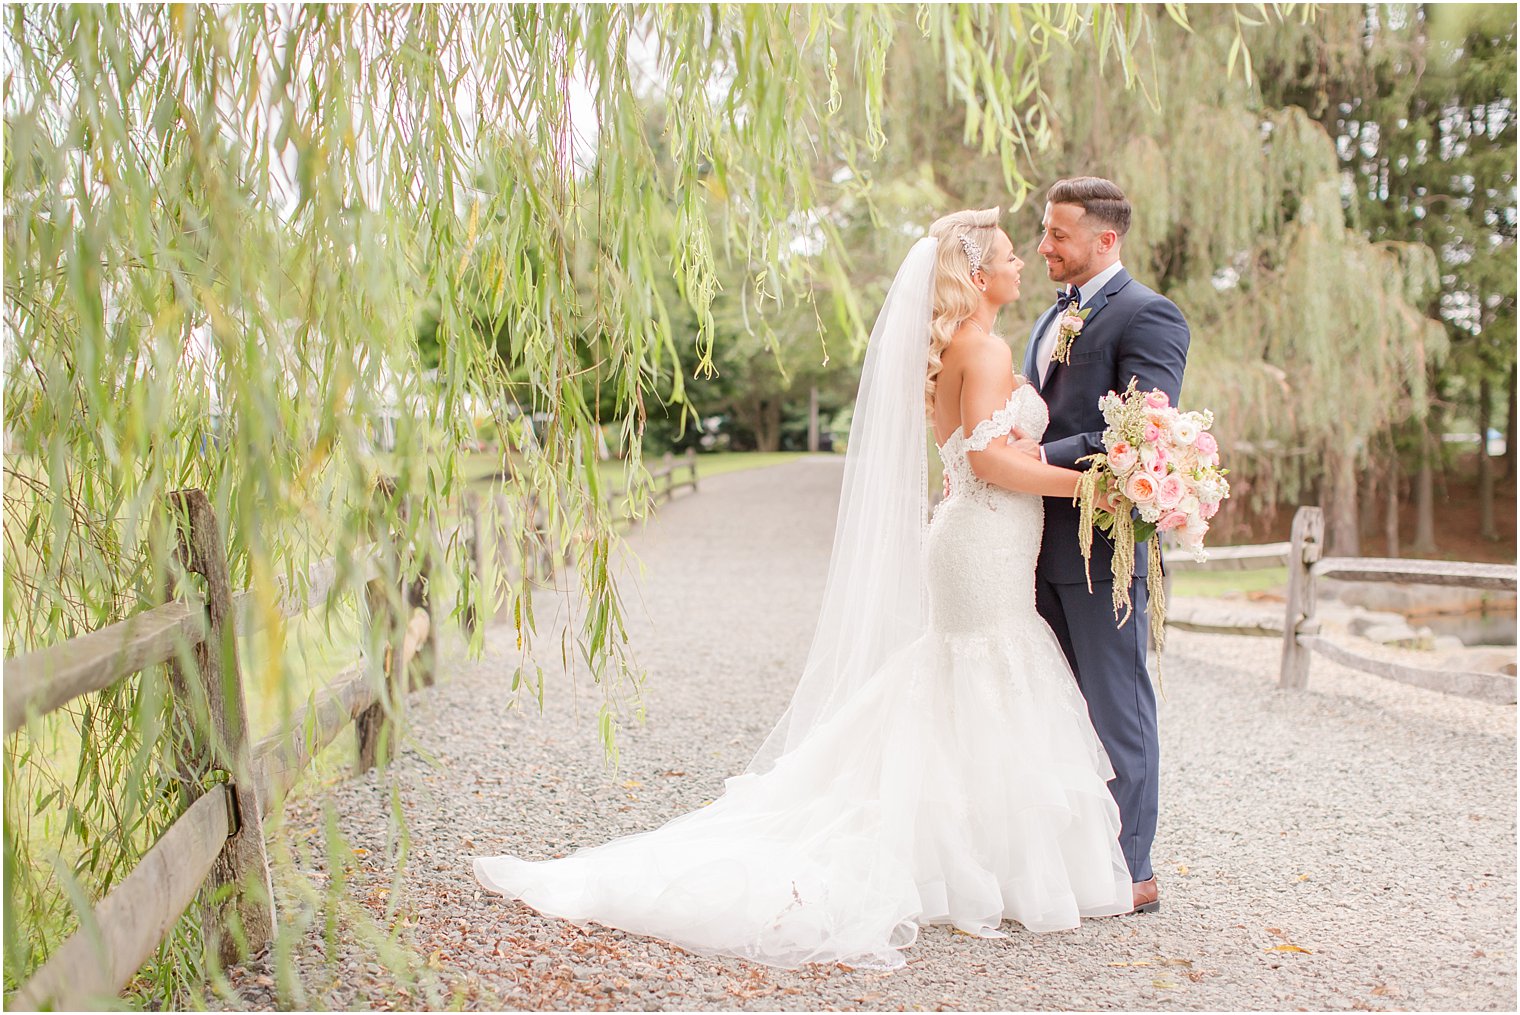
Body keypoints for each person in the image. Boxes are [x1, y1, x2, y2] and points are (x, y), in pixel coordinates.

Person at [473, 207, 1133, 971]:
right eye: (1015, 257)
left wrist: (1035, 450)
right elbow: (987, 465)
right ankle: (980, 864)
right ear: (979, 275)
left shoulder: (968, 347)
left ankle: (981, 858)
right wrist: (1089, 489)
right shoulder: (979, 348)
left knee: (969, 675)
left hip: (981, 535)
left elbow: (985, 444)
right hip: (982, 535)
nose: (1025, 266)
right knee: (985, 668)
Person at [1022, 177, 1190, 914]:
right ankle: (1065, 854)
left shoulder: (1149, 315)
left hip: (1099, 549)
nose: (1045, 245)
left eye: (1059, 234)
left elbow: (1140, 432)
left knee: (1115, 705)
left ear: (1105, 239)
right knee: (1052, 704)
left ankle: (1132, 868)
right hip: (1029, 540)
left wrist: (1031, 460)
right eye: (1046, 231)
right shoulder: (1052, 316)